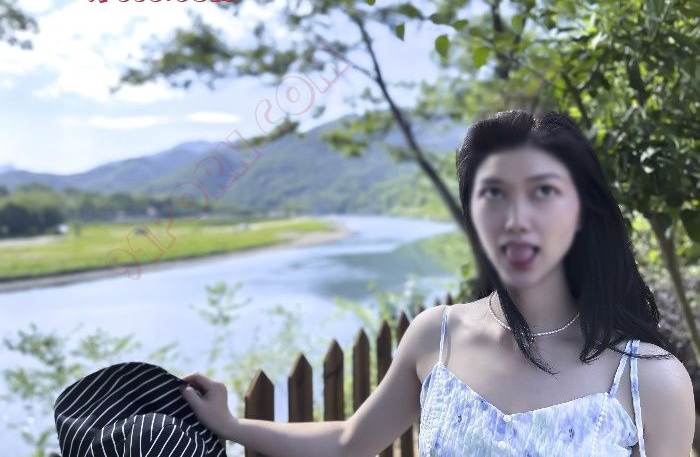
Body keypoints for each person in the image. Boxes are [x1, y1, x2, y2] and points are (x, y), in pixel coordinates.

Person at [177, 110, 696, 456]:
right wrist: (234, 426)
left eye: (543, 191)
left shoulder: (648, 378)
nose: (516, 219)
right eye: (493, 193)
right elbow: (349, 442)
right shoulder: (437, 335)